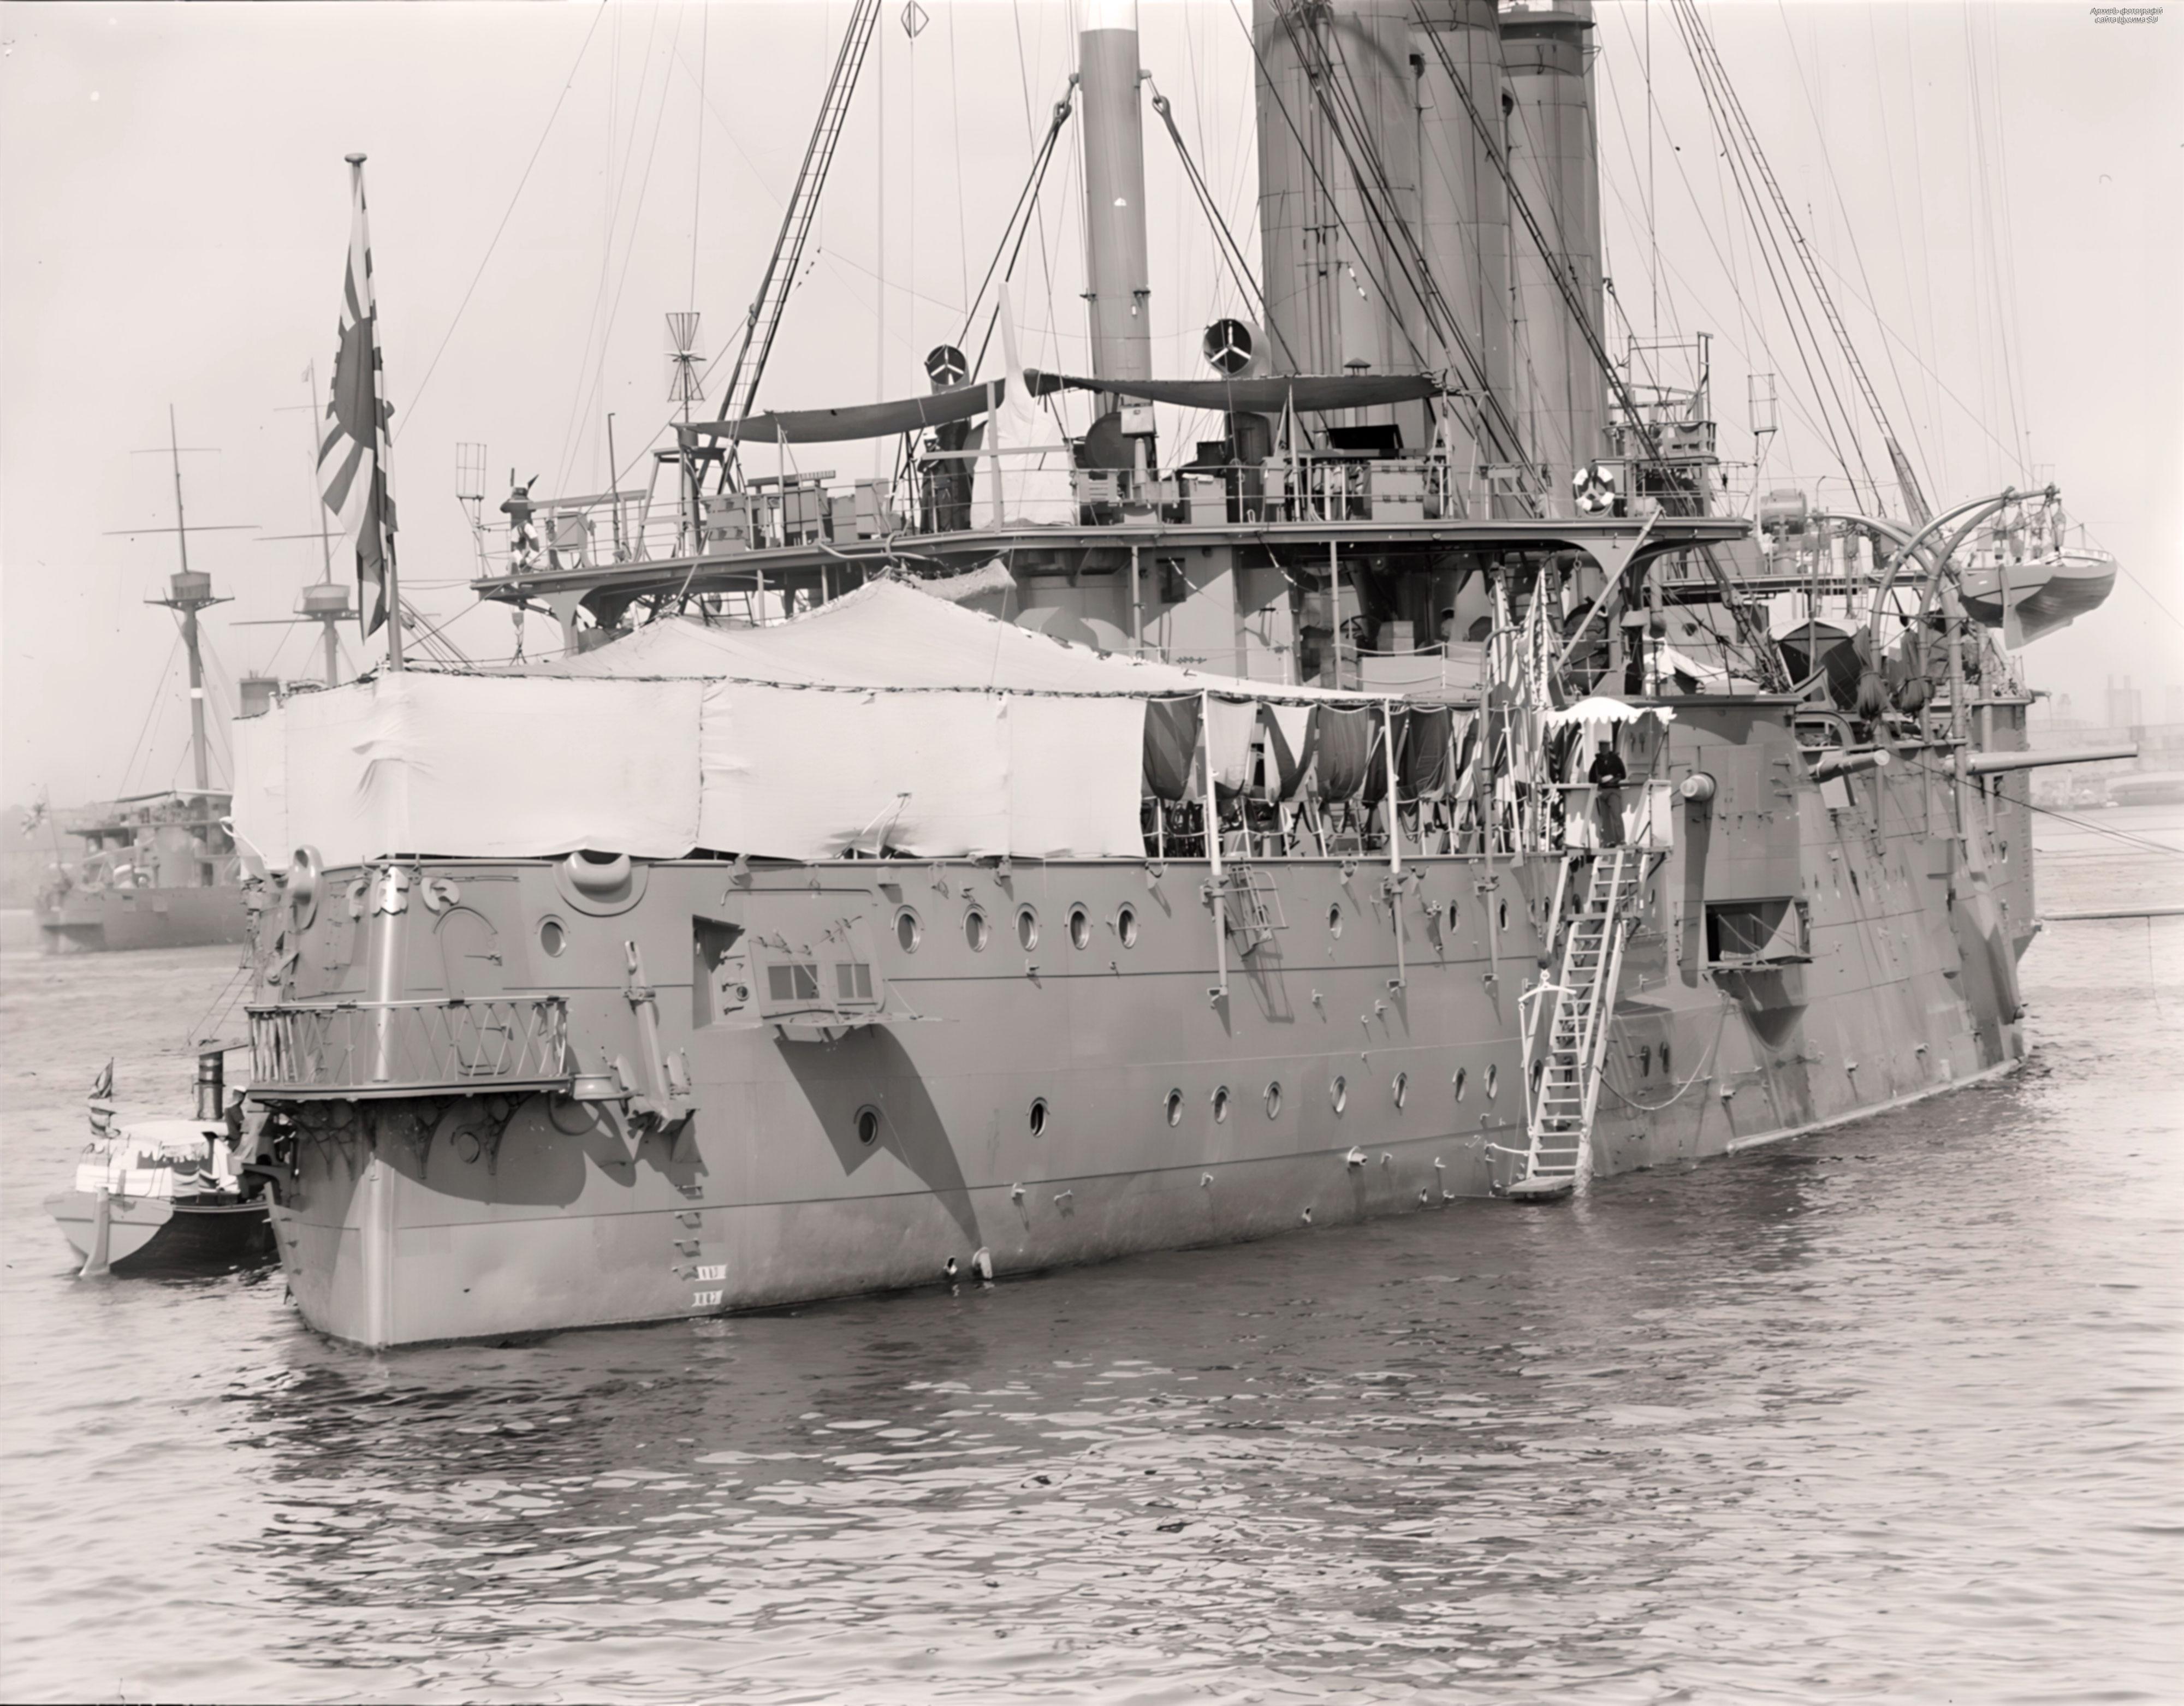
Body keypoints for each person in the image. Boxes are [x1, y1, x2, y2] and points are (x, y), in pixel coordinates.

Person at [1587, 734, 1628, 848]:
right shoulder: (1597, 763)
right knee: (1605, 818)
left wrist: (1615, 779)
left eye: (1605, 746)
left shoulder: (1616, 760)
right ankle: (1609, 841)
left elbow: (1623, 774)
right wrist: (1598, 779)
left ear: (1609, 747)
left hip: (1613, 790)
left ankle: (1621, 840)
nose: (1603, 748)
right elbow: (1591, 778)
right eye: (1602, 747)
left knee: (1616, 815)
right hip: (1602, 792)